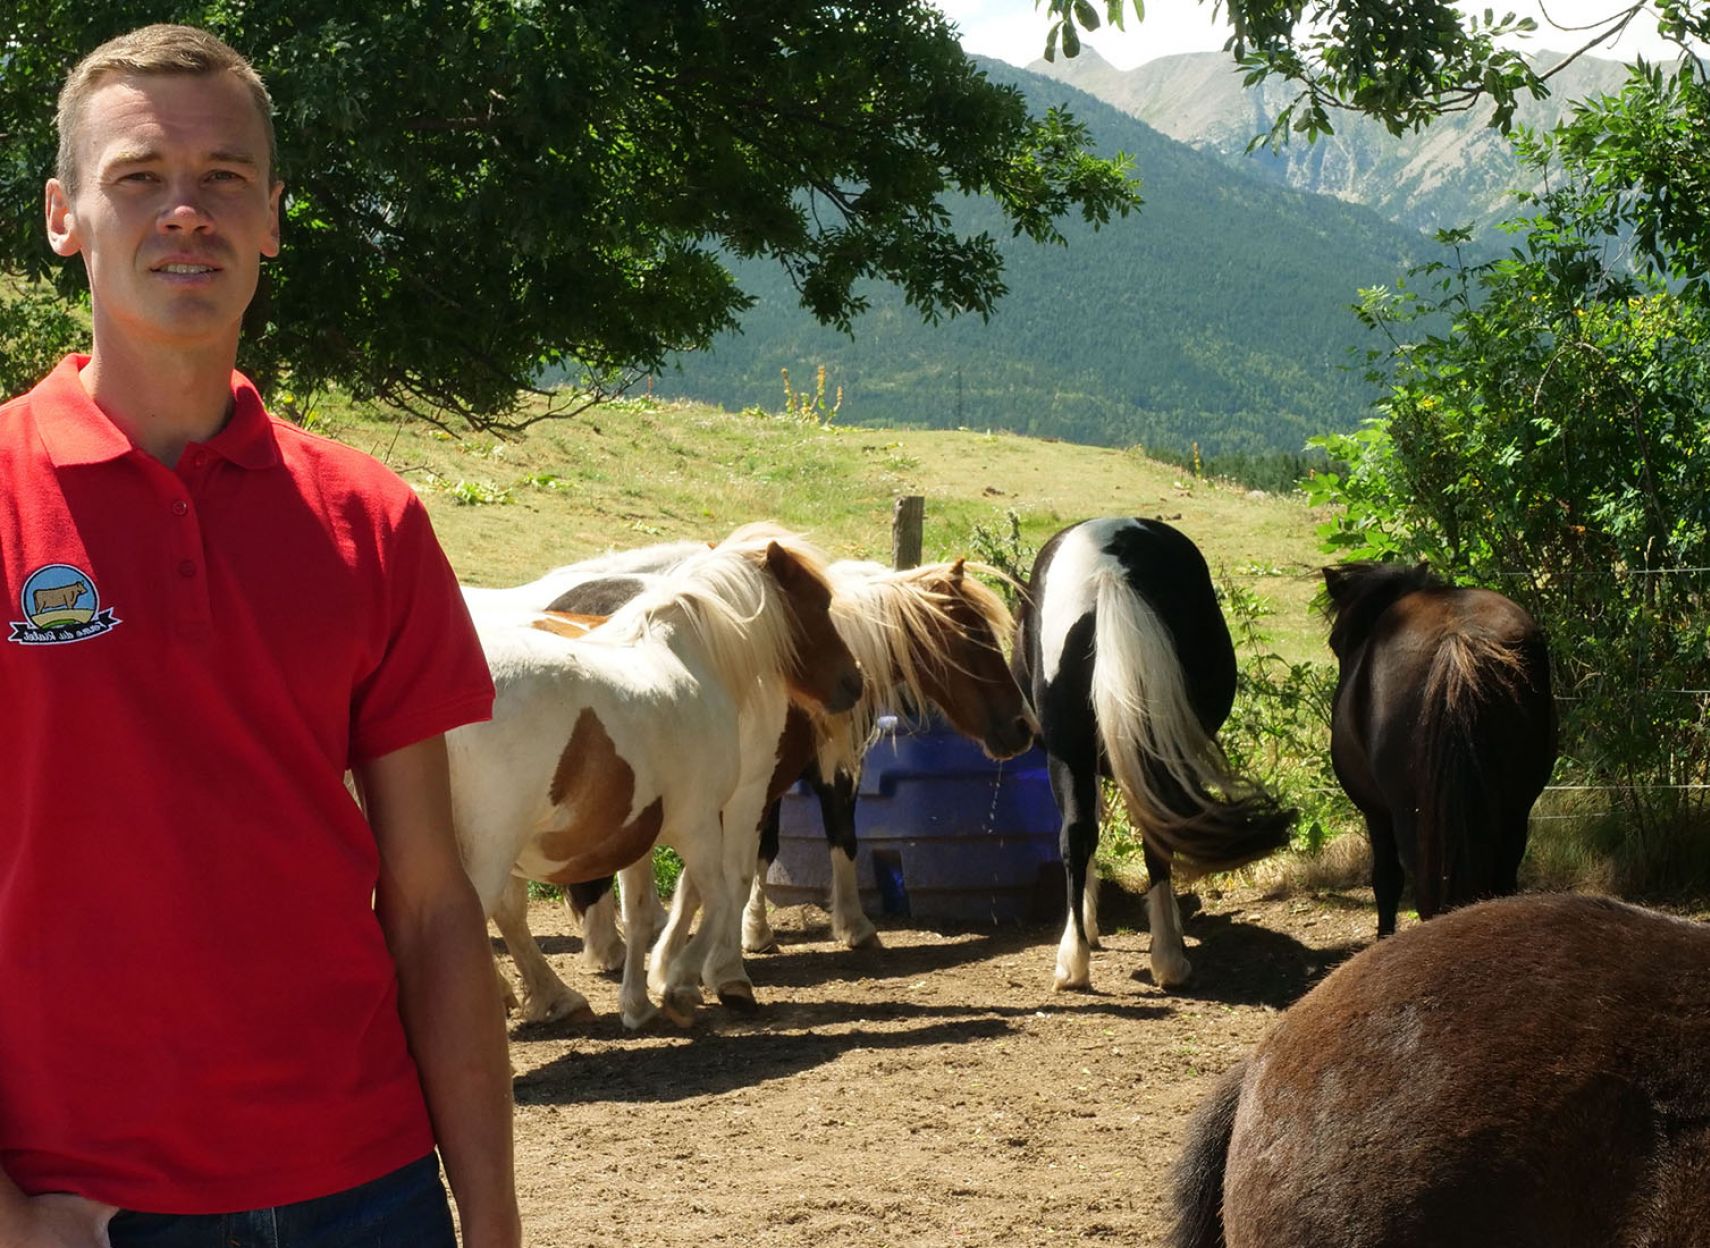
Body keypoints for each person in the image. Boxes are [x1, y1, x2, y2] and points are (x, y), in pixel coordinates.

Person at [0, 25, 521, 1248]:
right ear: (63, 215)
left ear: (273, 216)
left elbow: (435, 909)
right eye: (139, 177)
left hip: (374, 1191)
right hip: (90, 1206)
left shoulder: (369, 518)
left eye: (225, 177)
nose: (187, 210)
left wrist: (489, 1214)